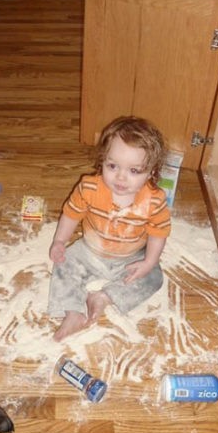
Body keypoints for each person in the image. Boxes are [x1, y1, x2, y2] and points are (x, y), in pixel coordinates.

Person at [48, 115, 171, 341]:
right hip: (89, 251)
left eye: (134, 171)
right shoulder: (89, 188)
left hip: (130, 257)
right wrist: (60, 242)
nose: (121, 177)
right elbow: (70, 214)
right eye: (113, 166)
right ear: (102, 160)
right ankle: (73, 312)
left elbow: (158, 233)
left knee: (154, 278)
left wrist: (149, 262)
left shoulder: (154, 200)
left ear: (152, 172)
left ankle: (103, 297)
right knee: (63, 266)